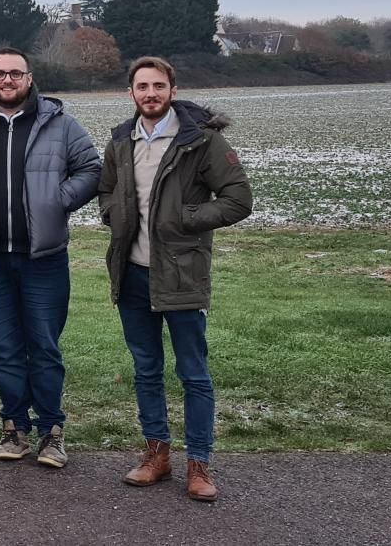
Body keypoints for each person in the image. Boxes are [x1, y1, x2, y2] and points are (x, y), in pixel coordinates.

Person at [0, 47, 100, 468]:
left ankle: (52, 432)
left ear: (29, 77)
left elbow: (91, 170)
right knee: (4, 347)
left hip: (43, 258)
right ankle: (14, 428)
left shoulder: (61, 125)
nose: (6, 81)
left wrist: (59, 200)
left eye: (15, 73)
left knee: (43, 347)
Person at [98, 56, 252, 502]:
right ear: (130, 92)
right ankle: (156, 456)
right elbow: (106, 189)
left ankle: (199, 465)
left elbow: (238, 200)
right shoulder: (120, 141)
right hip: (131, 275)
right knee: (146, 370)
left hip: (182, 275)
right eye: (142, 86)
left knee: (194, 374)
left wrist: (185, 218)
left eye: (158, 86)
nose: (150, 93)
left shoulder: (200, 141)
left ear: (172, 89)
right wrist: (114, 213)